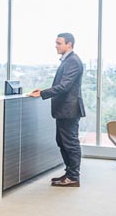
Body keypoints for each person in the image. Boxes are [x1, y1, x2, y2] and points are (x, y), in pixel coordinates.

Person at [29, 32, 85, 188]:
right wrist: (43, 91)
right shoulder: (67, 60)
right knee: (62, 142)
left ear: (69, 44)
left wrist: (43, 93)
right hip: (64, 110)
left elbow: (65, 86)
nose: (56, 46)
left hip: (69, 110)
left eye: (59, 43)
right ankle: (69, 173)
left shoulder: (73, 61)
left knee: (70, 143)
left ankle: (73, 177)